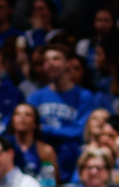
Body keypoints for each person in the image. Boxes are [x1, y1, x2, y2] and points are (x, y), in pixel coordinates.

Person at [28, 44, 95, 177]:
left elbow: (80, 130)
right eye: (46, 60)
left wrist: (46, 129)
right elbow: (31, 129)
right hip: (44, 160)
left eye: (55, 59)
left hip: (73, 160)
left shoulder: (84, 96)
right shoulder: (35, 97)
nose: (50, 63)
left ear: (68, 64)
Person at [6, 102, 58, 182]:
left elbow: (48, 183)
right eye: (17, 114)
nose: (22, 117)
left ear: (35, 123)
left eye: (28, 115)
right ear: (12, 120)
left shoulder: (45, 151)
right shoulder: (3, 148)